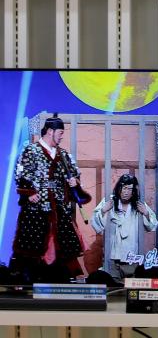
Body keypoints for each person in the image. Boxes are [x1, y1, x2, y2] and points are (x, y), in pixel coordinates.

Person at [11, 113, 90, 281]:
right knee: (31, 241)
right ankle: (24, 276)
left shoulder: (63, 154)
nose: (62, 136)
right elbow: (20, 172)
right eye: (60, 132)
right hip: (37, 205)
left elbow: (75, 173)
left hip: (58, 204)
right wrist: (29, 192)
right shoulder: (31, 150)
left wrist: (73, 181)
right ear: (50, 131)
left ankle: (69, 275)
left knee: (64, 240)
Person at [91, 173, 158, 280]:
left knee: (132, 289)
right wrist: (104, 210)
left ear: (134, 191)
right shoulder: (109, 201)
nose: (126, 192)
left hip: (132, 256)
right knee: (112, 288)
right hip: (112, 256)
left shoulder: (139, 204)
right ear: (119, 187)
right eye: (124, 188)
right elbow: (95, 223)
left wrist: (145, 213)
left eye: (130, 189)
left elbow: (152, 225)